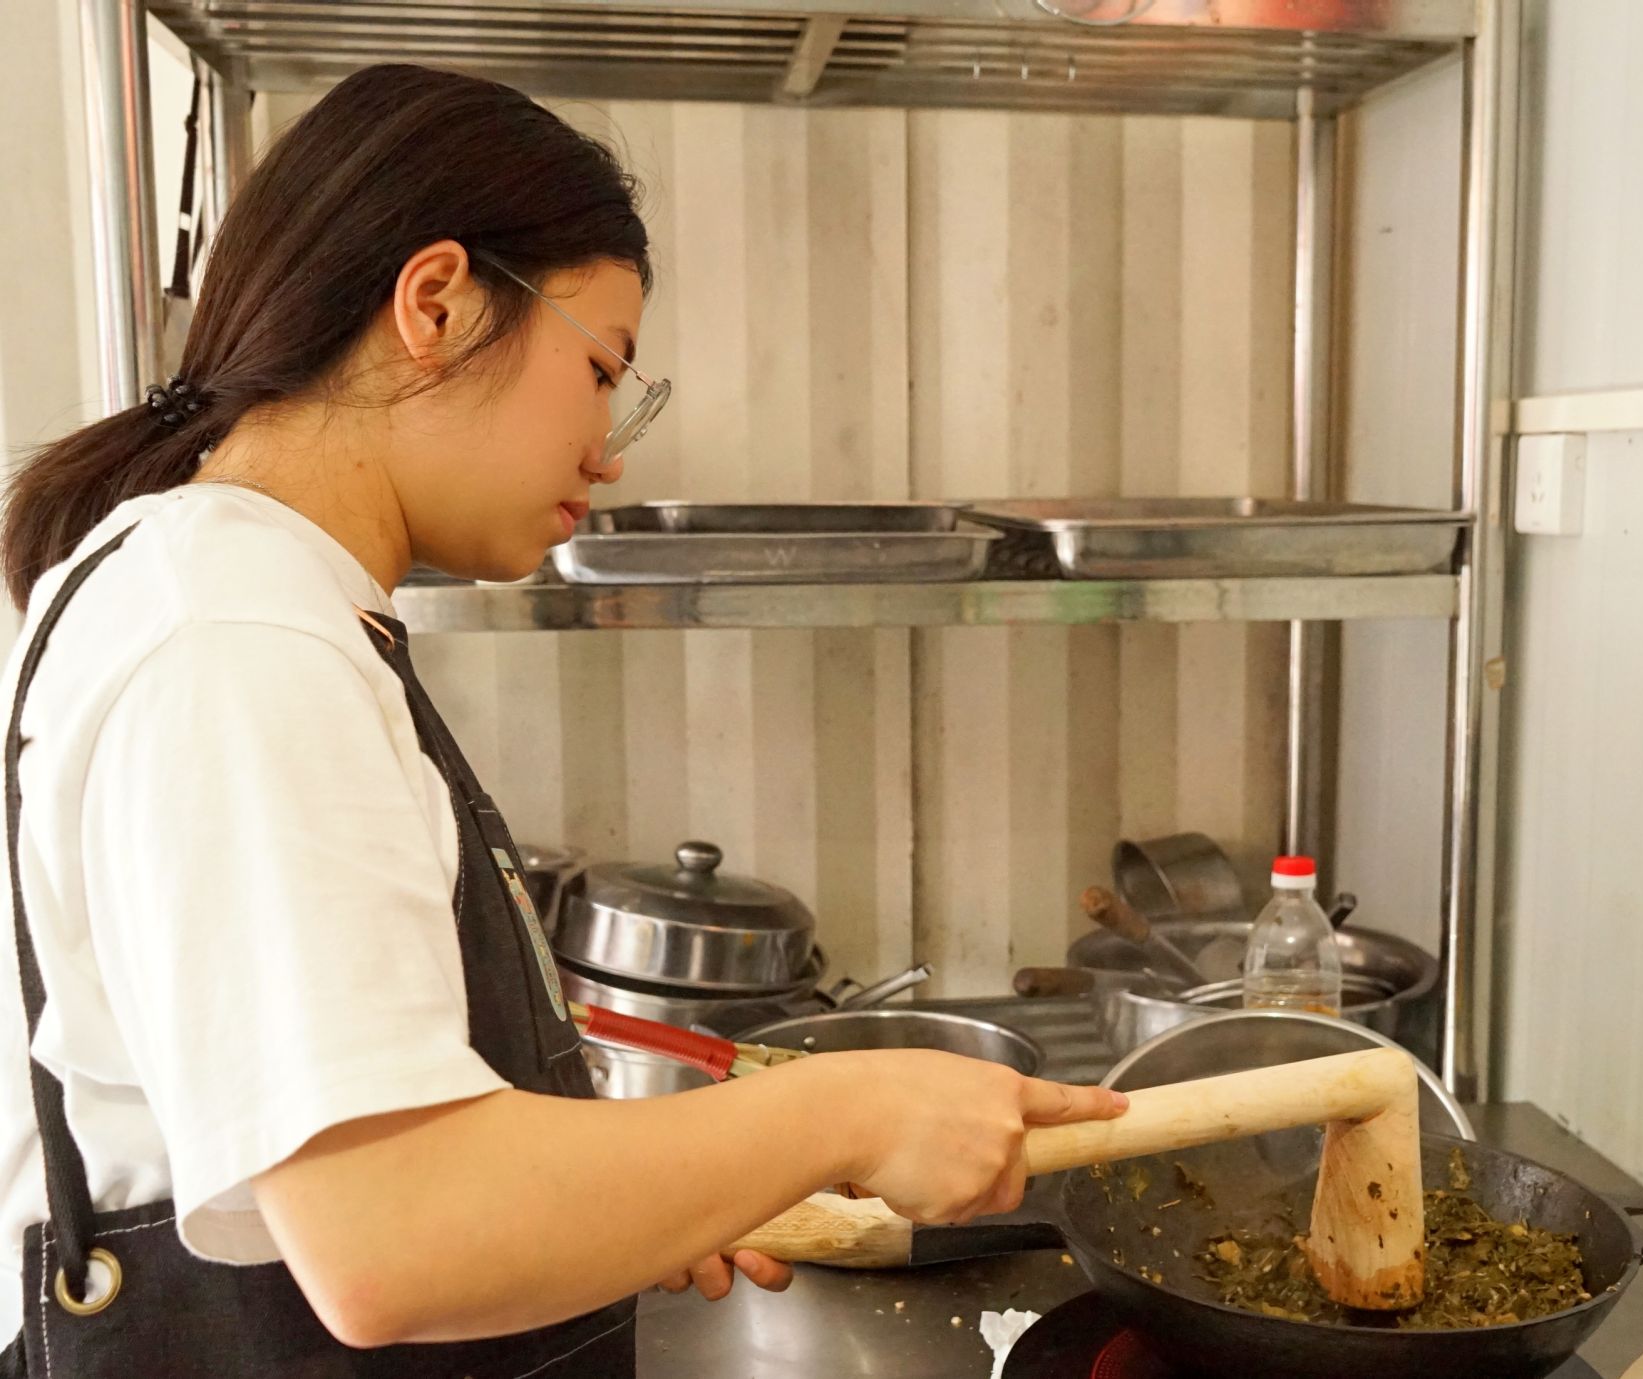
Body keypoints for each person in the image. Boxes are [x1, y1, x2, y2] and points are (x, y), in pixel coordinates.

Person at [0, 62, 1123, 1377]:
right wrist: (851, 1110)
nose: (609, 447)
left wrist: (647, 1194)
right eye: (601, 368)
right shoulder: (236, 636)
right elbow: (391, 1238)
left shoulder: (238, 592)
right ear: (435, 303)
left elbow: (378, 1152)